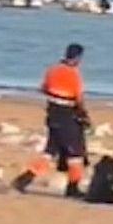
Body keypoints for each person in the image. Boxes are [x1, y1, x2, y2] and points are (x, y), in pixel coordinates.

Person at [12, 43, 91, 198]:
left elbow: (44, 88)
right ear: (78, 58)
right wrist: (84, 115)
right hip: (68, 117)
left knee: (50, 151)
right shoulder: (73, 74)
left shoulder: (52, 70)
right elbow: (78, 99)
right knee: (75, 153)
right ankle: (73, 187)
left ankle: (24, 179)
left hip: (53, 115)